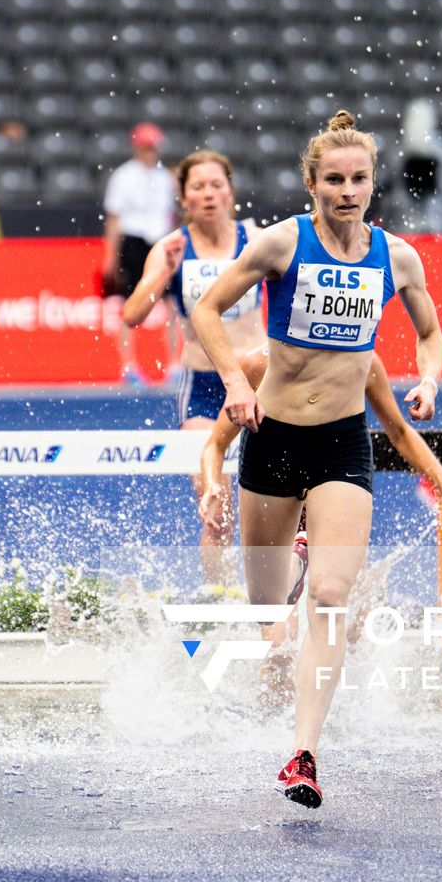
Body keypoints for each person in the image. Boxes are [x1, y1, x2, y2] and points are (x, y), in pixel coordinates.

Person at [192, 111, 442, 809]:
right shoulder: (281, 244)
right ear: (311, 183)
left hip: (341, 444)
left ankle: (303, 755)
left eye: (359, 178)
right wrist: (237, 383)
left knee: (331, 597)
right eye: (333, 179)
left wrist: (427, 379)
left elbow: (430, 332)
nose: (347, 190)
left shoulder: (396, 258)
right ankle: (277, 658)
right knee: (268, 616)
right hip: (272, 441)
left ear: (372, 183)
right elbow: (208, 312)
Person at [196, 355, 442, 586]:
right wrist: (212, 485)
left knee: (342, 607)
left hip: (333, 476)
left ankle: (358, 602)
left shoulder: (362, 359)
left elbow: (401, 433)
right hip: (275, 478)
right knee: (276, 638)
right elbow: (215, 445)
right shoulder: (260, 362)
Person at [120, 150, 266, 580]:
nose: (208, 194)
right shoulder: (171, 247)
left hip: (257, 383)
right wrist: (163, 273)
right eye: (197, 187)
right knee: (215, 505)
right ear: (183, 197)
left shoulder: (256, 238)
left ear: (230, 192)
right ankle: (218, 603)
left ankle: (275, 602)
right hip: (202, 388)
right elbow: (132, 314)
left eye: (216, 185)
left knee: (275, 506)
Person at [102, 123, 176, 385]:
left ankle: (174, 364)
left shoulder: (164, 178)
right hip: (132, 242)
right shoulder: (123, 177)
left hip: (159, 241)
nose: (150, 152)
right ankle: (128, 365)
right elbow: (114, 218)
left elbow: (169, 216)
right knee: (129, 303)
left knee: (171, 304)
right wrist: (110, 254)